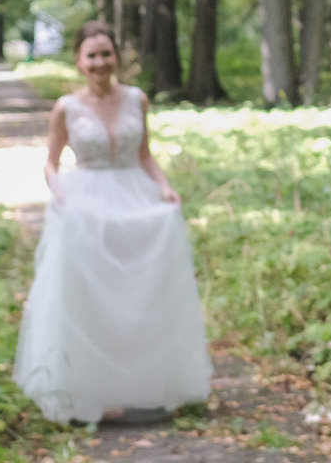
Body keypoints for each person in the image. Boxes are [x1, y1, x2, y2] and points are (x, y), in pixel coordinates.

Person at [14, 21, 212, 425]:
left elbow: (144, 155)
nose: (101, 62)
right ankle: (92, 390)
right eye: (92, 55)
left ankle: (143, 386)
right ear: (78, 61)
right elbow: (51, 165)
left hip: (134, 196)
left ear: (117, 57)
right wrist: (61, 194)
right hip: (85, 200)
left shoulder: (137, 99)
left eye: (107, 53)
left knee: (137, 292)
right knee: (90, 295)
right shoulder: (66, 108)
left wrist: (165, 187)